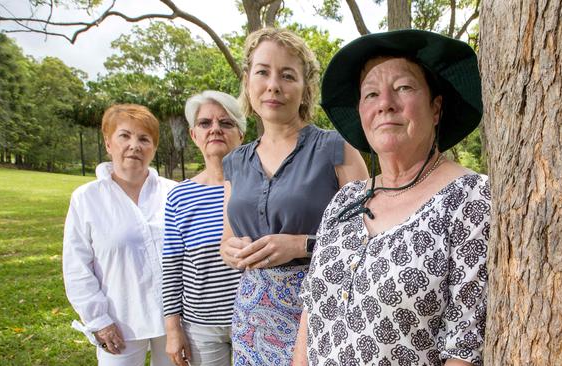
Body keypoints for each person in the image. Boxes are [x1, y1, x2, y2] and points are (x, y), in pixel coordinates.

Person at [293, 30, 490, 366]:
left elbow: (464, 348)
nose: (385, 103)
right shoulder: (345, 201)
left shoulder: (469, 198)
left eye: (403, 87)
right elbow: (311, 316)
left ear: (436, 107)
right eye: (371, 94)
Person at [218, 28, 369, 365]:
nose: (273, 85)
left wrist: (301, 245)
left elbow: (372, 236)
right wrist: (230, 250)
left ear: (305, 89)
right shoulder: (234, 162)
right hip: (251, 320)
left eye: (287, 75)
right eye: (263, 72)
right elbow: (228, 238)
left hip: (320, 311)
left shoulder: (336, 148)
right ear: (247, 81)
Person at [63, 104, 176, 366]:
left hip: (174, 320)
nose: (134, 145)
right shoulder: (86, 198)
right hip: (121, 322)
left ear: (153, 148)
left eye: (144, 139)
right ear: (108, 143)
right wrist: (99, 321)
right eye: (124, 135)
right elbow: (76, 267)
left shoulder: (173, 193)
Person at [162, 91, 246, 366]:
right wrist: (173, 330)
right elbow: (172, 268)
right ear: (194, 134)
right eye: (205, 123)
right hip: (202, 328)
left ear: (241, 134)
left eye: (226, 122)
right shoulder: (179, 196)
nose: (215, 129)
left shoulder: (258, 189)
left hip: (254, 317)